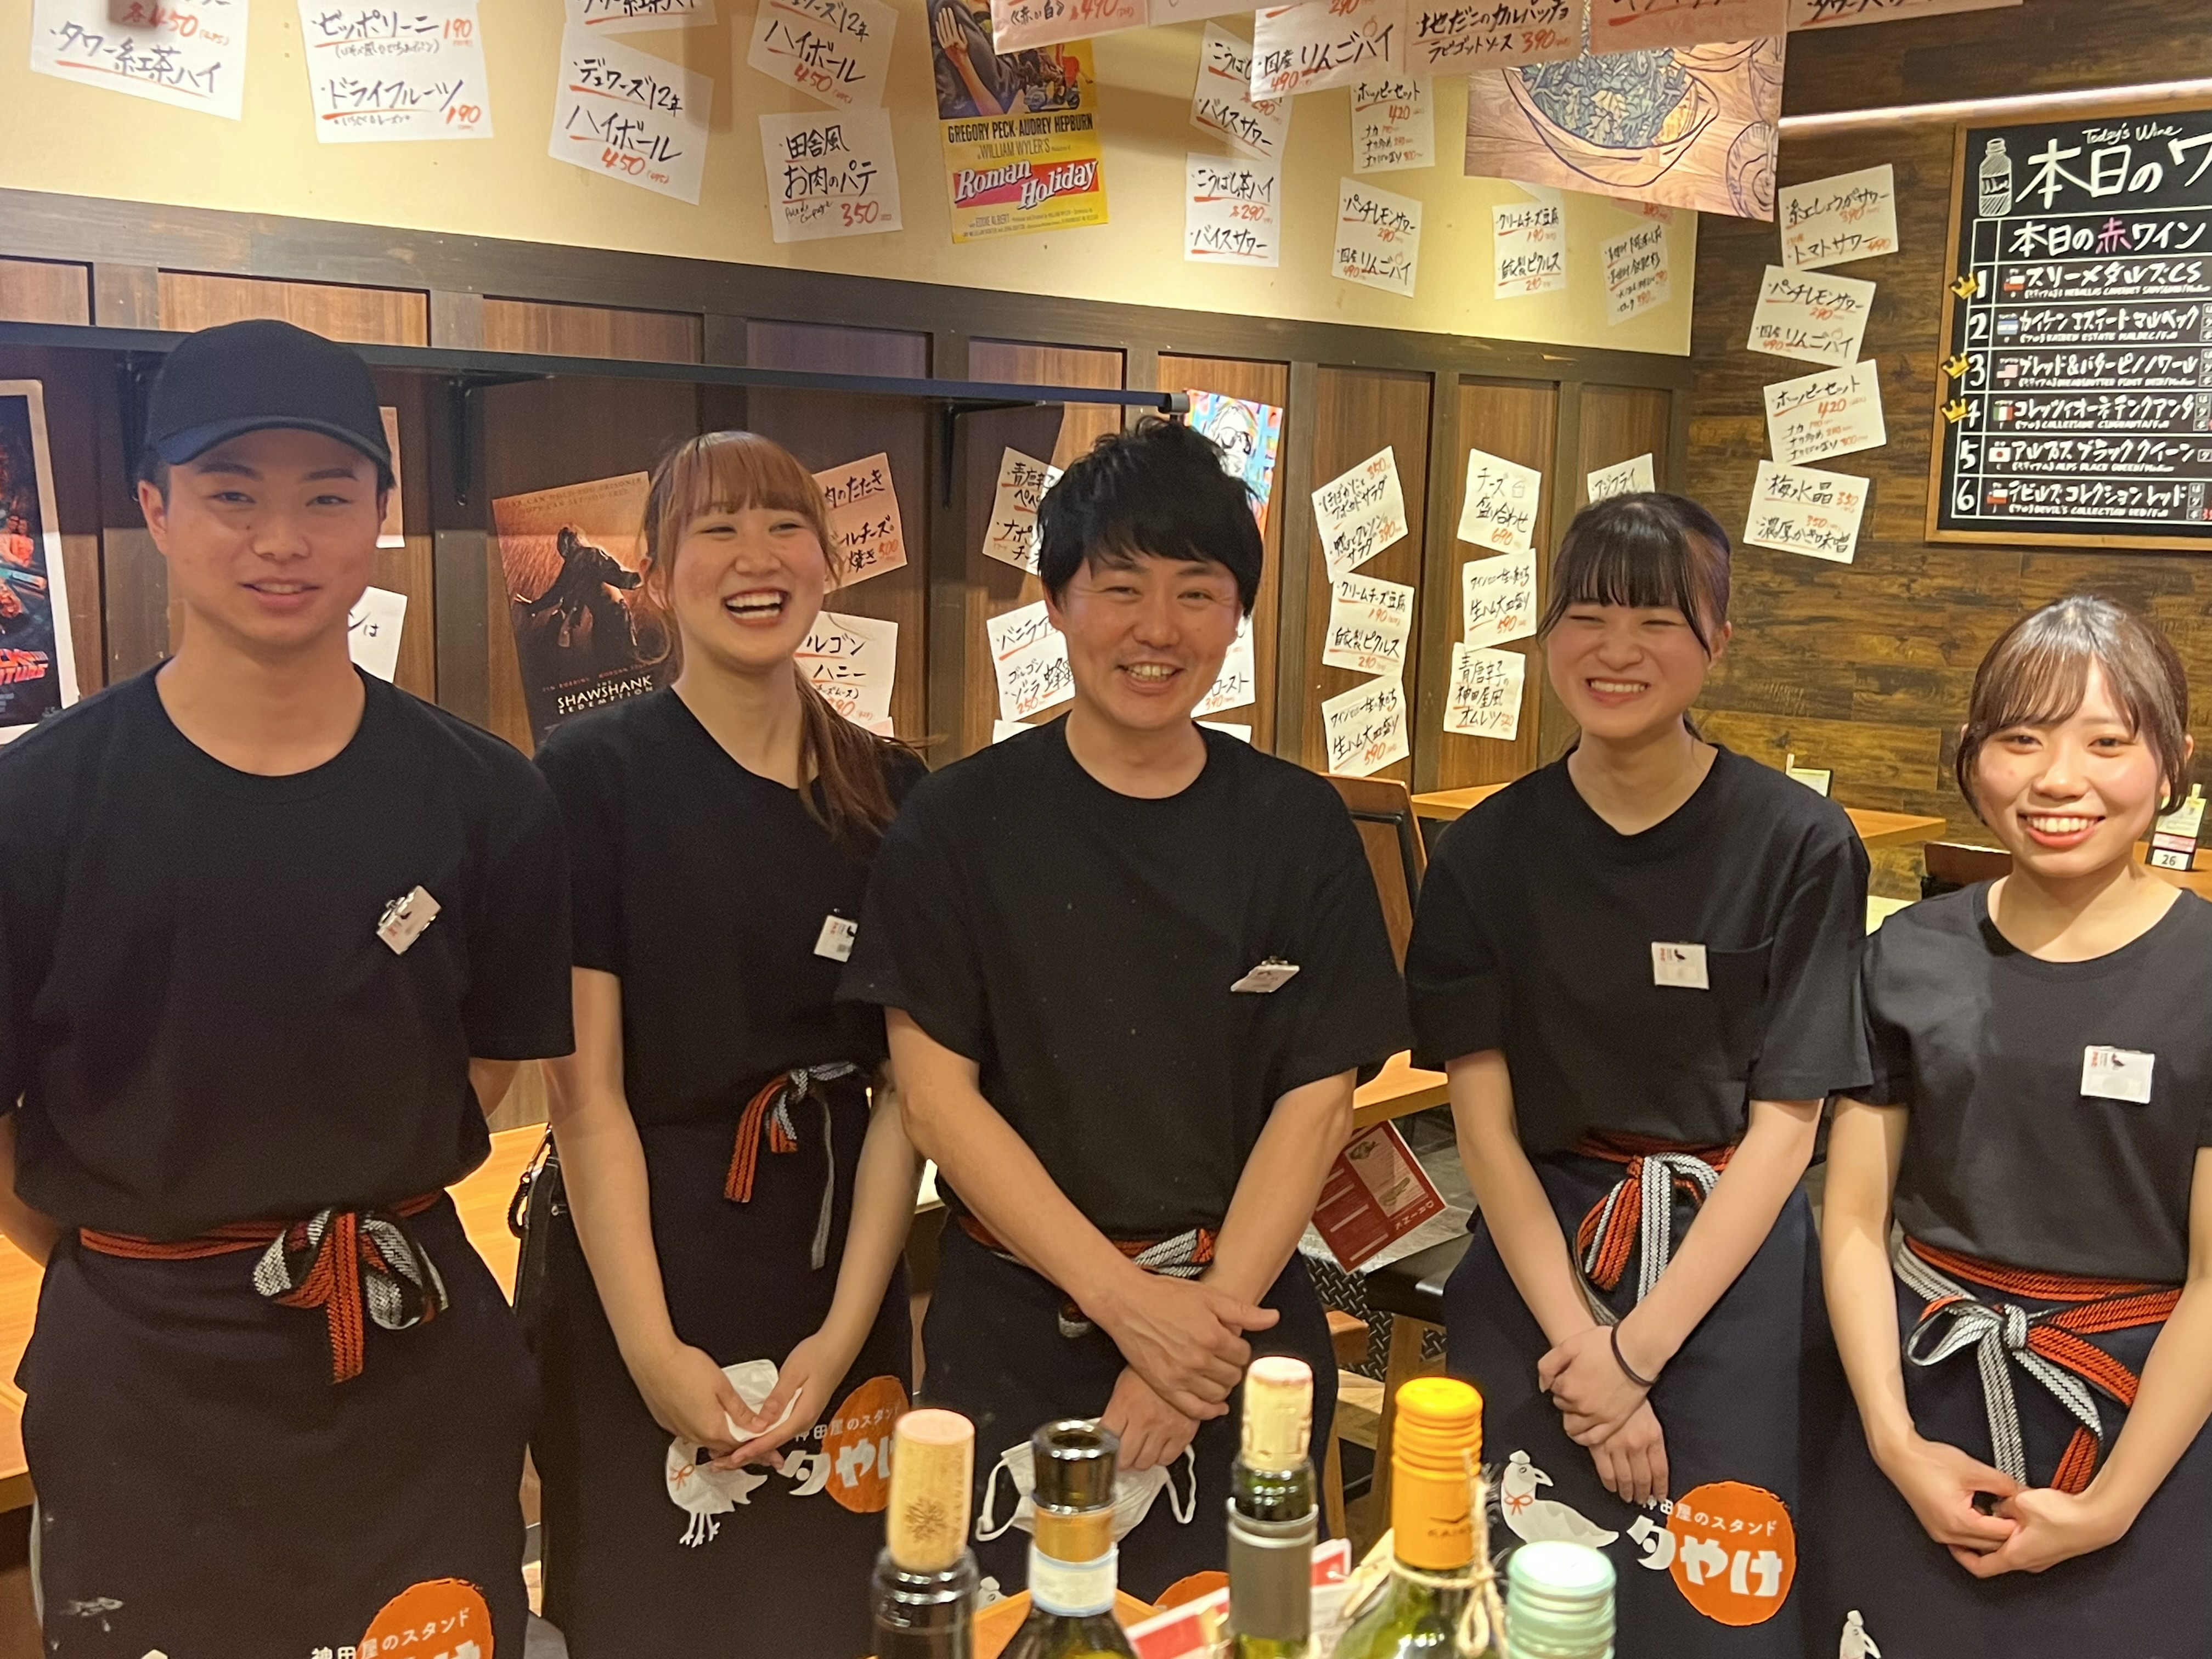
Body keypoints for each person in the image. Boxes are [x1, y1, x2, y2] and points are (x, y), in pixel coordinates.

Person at [0, 318, 573, 1655]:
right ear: (155, 508)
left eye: (326, 496)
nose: (282, 539)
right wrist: (149, 1258)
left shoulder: (487, 796)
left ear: (380, 512)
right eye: (230, 495)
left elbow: (483, 1066)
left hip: (414, 1346)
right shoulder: (39, 802)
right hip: (143, 1369)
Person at [840, 417, 1407, 1598]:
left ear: (1238, 615)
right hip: (1021, 1331)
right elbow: (937, 1102)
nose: (1159, 629)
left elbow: (1318, 1102)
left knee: (1243, 1628)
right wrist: (1128, 1310)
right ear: (1058, 603)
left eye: (1198, 592)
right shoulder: (958, 825)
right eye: (1121, 587)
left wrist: (1190, 1339)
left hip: (1239, 1333)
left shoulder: (1297, 827)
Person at [1403, 493, 1869, 1654]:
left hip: (1734, 1264)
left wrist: (1637, 1354)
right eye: (1589, 615)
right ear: (1548, 632)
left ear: (1718, 640)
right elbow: (1485, 1132)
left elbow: (1787, 1126)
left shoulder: (1800, 843)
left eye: (1658, 620)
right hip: (1544, 1261)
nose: (1617, 650)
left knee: (1727, 1609)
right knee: (1515, 1598)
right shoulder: (1483, 852)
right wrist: (1587, 1351)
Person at [533, 431, 923, 1658]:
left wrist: (844, 1336)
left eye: (785, 525)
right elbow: (584, 1100)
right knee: (649, 1615)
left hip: (835, 1258)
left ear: (827, 560)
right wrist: (653, 1352)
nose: (757, 558)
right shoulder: (590, 777)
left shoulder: (893, 791)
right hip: (642, 1256)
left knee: (837, 1611)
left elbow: (909, 1099)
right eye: (717, 529)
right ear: (652, 575)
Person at [1816, 596, 2212, 1654]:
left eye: (2107, 743)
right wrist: (1894, 1442)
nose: (2059, 780)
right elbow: (1851, 1220)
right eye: (2022, 740)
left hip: (2142, 1414)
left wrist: (2113, 1504)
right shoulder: (1907, 955)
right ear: (1972, 757)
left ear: (2172, 764)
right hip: (1920, 1382)